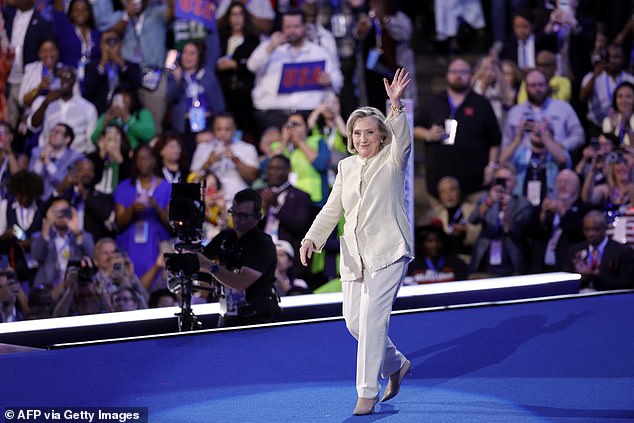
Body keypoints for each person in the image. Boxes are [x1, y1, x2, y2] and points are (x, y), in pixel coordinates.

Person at [300, 69, 412, 415]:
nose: (363, 138)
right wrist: (312, 238)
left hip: (389, 249)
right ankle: (395, 364)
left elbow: (401, 137)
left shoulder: (393, 159)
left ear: (381, 136)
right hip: (354, 256)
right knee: (354, 322)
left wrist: (395, 107)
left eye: (369, 133)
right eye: (357, 133)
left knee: (374, 320)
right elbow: (333, 208)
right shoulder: (346, 167)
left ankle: (367, 392)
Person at [246, 8, 343, 134]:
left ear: (304, 27)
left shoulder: (319, 52)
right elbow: (251, 66)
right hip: (273, 113)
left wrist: (329, 80)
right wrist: (270, 47)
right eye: (288, 26)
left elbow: (338, 81)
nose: (292, 30)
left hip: (309, 113)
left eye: (296, 26)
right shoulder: (270, 47)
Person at [415, 58, 501, 199]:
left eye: (463, 72)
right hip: (439, 183)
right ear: (447, 75)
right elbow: (413, 128)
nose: (458, 75)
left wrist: (491, 167)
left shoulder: (481, 103)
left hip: (474, 183)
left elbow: (495, 140)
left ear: (471, 75)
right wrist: (428, 134)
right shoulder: (434, 101)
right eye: (454, 71)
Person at [197, 188, 280, 327]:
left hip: (258, 319)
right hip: (228, 315)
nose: (237, 219)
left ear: (258, 216)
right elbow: (200, 260)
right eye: (234, 213)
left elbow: (240, 283)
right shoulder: (226, 237)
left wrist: (210, 267)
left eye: (243, 215)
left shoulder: (262, 244)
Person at [502, 69, 585, 154]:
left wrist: (560, 146)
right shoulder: (515, 112)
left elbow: (579, 136)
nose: (538, 89)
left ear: (547, 86)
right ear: (526, 87)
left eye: (541, 85)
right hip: (522, 162)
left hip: (556, 160)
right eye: (533, 85)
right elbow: (506, 144)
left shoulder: (562, 107)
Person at [563, 210, 634, 292]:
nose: (590, 234)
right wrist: (580, 277)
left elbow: (627, 285)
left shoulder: (622, 252)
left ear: (605, 228)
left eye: (595, 229)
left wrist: (596, 277)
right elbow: (566, 282)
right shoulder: (574, 251)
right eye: (587, 229)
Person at [602, 81, 634, 146]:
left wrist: (628, 128)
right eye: (620, 96)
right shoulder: (608, 121)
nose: (623, 100)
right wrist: (613, 129)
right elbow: (606, 148)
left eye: (628, 96)